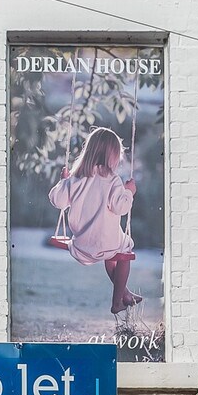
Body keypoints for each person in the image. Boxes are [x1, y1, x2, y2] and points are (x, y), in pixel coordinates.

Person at [47, 127, 141, 313]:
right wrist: (129, 191)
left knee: (112, 253)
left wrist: (63, 181)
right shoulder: (112, 180)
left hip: (81, 247)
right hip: (106, 246)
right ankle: (117, 303)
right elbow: (120, 208)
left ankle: (126, 294)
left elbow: (58, 201)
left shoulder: (76, 178)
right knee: (124, 249)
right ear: (111, 156)